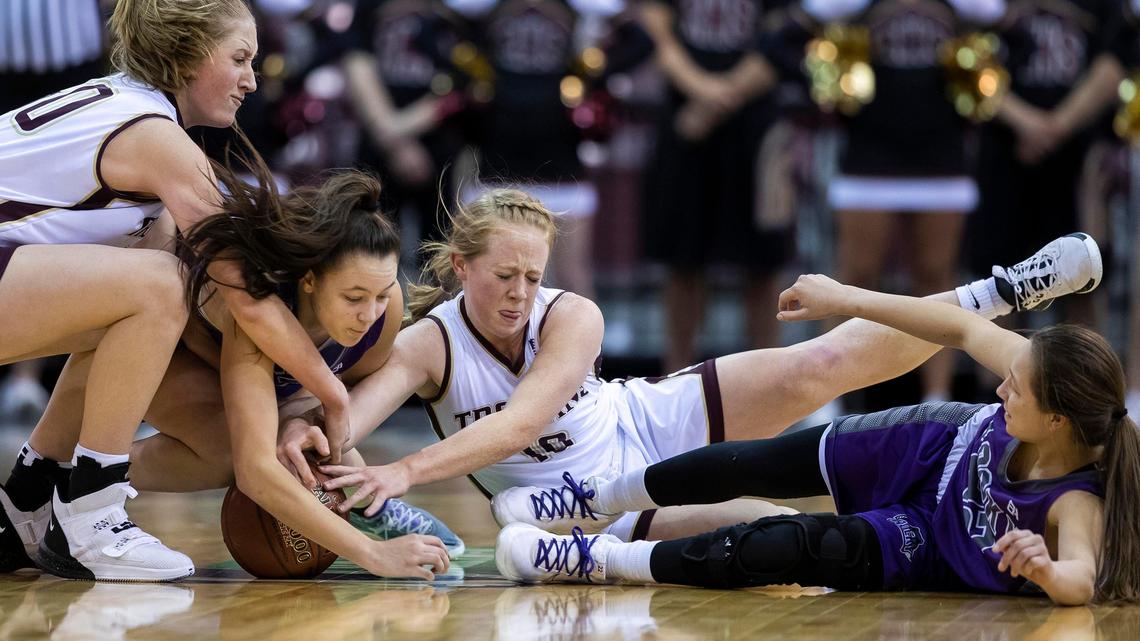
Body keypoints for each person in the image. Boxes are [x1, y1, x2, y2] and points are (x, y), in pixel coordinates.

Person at [280, 180, 1102, 543]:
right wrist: (311, 431)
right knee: (775, 531)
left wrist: (403, 471)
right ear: (461, 267)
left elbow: (523, 422)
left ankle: (1004, 288)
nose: (521, 293)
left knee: (817, 366)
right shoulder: (430, 342)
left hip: (645, 420)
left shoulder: (574, 315)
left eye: (534, 275)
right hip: (585, 510)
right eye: (504, 276)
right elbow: (353, 412)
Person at [493, 256, 1140, 606]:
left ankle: (597, 561)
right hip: (934, 448)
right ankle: (592, 499)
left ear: (1056, 420)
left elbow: (1081, 579)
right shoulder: (1037, 378)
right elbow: (960, 330)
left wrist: (1045, 571)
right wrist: (844, 298)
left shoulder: (1074, 499)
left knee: (792, 544)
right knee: (755, 461)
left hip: (928, 544)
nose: (1000, 389)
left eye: (1016, 391)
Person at [0, 0, 352, 581]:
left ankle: (30, 496)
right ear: (188, 57)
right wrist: (331, 393)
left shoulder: (130, 110)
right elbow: (243, 293)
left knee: (143, 294)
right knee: (159, 284)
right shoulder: (156, 139)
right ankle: (91, 513)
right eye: (239, 59)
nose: (251, 80)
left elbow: (198, 291)